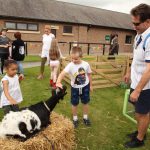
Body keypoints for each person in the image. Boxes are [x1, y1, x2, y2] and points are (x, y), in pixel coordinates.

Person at [124, 3, 150, 148]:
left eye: (137, 23)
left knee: (143, 113)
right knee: (138, 111)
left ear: (148, 22)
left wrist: (138, 89)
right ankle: (140, 131)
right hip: (136, 82)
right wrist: (128, 72)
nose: (134, 26)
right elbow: (135, 58)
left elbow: (149, 69)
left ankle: (140, 139)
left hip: (145, 87)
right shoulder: (138, 35)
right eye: (133, 23)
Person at [56, 46, 93, 128]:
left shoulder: (86, 64)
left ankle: (85, 117)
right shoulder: (70, 65)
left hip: (85, 86)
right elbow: (62, 73)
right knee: (74, 103)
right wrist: (58, 81)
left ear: (81, 56)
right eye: (72, 58)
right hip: (75, 88)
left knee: (85, 102)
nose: (73, 61)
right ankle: (75, 119)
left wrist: (91, 85)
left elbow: (89, 74)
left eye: (76, 59)